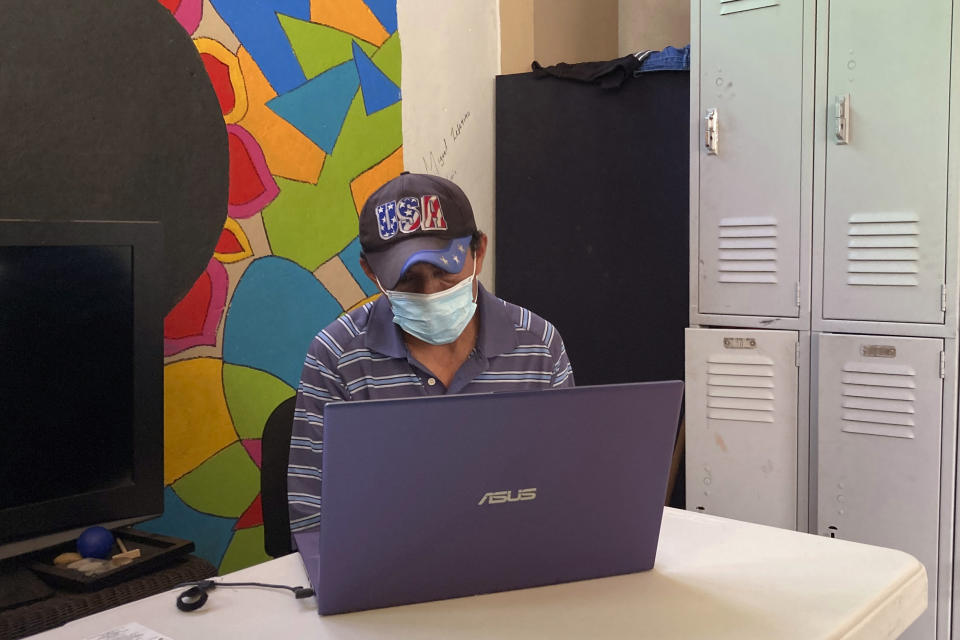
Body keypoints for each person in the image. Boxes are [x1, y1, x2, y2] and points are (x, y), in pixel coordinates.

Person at [287, 172, 574, 538]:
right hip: (386, 570)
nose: (429, 293)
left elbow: (564, 487)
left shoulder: (539, 348)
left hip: (514, 554)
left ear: (479, 251)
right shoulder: (336, 357)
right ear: (370, 272)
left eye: (444, 273)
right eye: (407, 279)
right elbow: (313, 516)